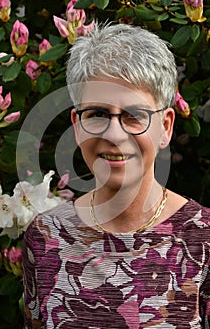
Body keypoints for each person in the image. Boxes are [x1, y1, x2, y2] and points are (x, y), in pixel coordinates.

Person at [22, 24, 210, 328]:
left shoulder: (203, 239)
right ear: (77, 124)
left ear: (166, 126)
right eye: (97, 114)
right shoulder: (45, 236)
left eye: (134, 116)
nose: (114, 133)